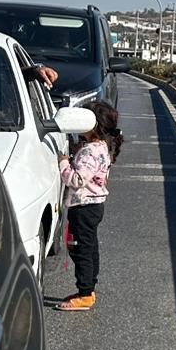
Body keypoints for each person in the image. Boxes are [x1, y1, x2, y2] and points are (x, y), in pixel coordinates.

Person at [55, 100, 122, 311]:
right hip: (94, 206)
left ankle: (85, 294)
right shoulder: (101, 147)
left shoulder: (89, 152)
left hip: (83, 207)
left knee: (80, 249)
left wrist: (63, 161)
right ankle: (89, 287)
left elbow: (76, 180)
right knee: (89, 246)